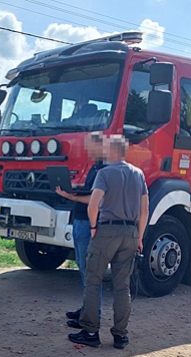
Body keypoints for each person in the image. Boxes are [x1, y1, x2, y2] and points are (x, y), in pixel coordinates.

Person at [68, 135, 148, 350]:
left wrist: (93, 227)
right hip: (130, 232)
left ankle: (91, 332)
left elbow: (93, 206)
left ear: (110, 151)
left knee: (93, 281)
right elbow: (144, 209)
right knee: (122, 286)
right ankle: (121, 335)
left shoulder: (104, 173)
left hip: (107, 230)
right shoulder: (138, 174)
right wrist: (139, 237)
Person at [54, 132, 105, 323]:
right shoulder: (95, 167)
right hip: (80, 221)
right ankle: (87, 309)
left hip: (87, 224)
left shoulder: (104, 169)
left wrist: (71, 197)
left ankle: (92, 315)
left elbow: (96, 199)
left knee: (90, 271)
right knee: (83, 269)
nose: (88, 150)